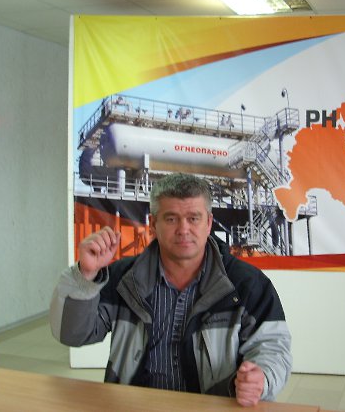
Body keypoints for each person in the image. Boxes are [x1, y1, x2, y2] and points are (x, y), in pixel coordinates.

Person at [50, 173, 292, 407]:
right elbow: (71, 335)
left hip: (213, 407)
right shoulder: (123, 279)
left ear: (208, 223)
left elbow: (273, 348)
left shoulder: (247, 284)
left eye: (193, 218)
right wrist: (85, 276)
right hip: (133, 405)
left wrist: (262, 378)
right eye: (171, 219)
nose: (183, 229)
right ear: (153, 224)